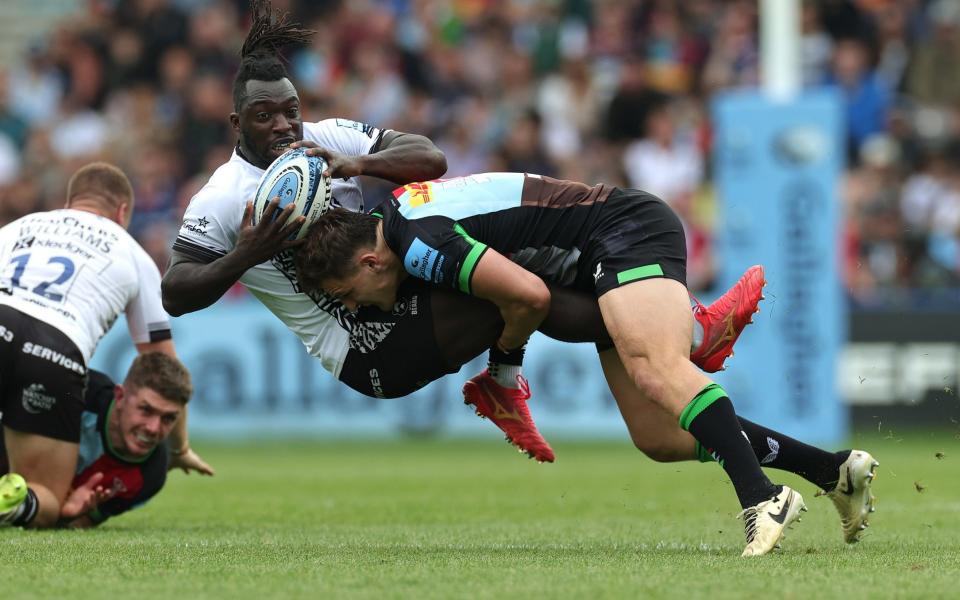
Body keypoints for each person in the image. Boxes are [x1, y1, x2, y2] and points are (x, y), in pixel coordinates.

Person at [161, 1, 763, 464]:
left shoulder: (327, 138)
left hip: (396, 290)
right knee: (519, 291)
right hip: (365, 347)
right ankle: (679, 332)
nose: (284, 126)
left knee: (515, 281)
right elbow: (176, 293)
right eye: (266, 117)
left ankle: (766, 430)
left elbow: (429, 158)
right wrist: (248, 251)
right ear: (237, 122)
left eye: (291, 110)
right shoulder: (221, 198)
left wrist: (358, 163)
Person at [293, 172, 880, 557]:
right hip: (591, 265)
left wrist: (503, 369)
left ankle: (761, 497)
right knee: (659, 435)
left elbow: (529, 298)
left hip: (623, 231)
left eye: (346, 293)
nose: (353, 307)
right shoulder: (399, 222)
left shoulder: (419, 246)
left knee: (656, 369)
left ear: (371, 261)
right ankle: (834, 473)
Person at [0, 162, 209, 529]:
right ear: (122, 212)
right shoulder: (133, 253)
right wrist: (178, 448)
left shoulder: (17, 228)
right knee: (49, 499)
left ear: (69, 203)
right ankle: (19, 503)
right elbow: (163, 363)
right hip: (55, 350)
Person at [0, 352, 202, 527]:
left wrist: (69, 515)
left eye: (168, 418)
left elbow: (80, 523)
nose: (153, 428)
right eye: (145, 410)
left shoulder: (151, 474)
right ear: (120, 396)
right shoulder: (76, 390)